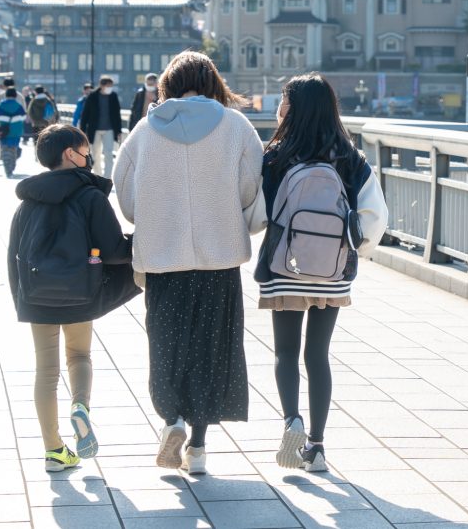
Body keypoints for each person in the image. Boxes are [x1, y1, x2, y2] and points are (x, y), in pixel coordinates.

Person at [114, 51, 264, 475]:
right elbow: (254, 186)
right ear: (212, 81)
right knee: (212, 349)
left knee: (166, 343)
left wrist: (148, 219)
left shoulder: (145, 130)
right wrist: (236, 221)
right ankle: (197, 449)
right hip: (219, 259)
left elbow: (124, 191)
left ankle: (171, 419)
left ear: (168, 84)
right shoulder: (235, 126)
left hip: (163, 258)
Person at [256, 73, 388, 473]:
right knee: (318, 354)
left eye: (283, 100)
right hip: (333, 271)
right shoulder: (351, 158)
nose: (279, 107)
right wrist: (354, 250)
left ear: (292, 108)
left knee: (284, 352)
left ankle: (291, 420)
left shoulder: (275, 156)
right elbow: (375, 218)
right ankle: (316, 447)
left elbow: (257, 213)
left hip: (284, 268)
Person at [7, 124, 135, 472]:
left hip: (36, 294)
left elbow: (13, 254)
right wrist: (138, 243)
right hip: (81, 291)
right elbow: (113, 252)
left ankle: (54, 450)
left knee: (45, 371)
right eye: (84, 148)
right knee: (79, 355)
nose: (88, 154)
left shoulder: (28, 199)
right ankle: (80, 406)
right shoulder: (89, 195)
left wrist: (21, 298)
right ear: (70, 154)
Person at [79, 76, 122, 176]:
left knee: (108, 154)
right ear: (102, 85)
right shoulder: (92, 96)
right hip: (95, 130)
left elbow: (117, 114)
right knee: (95, 154)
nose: (110, 88)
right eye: (108, 86)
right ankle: (98, 175)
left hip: (110, 129)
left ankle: (107, 178)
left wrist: (118, 130)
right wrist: (82, 130)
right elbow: (85, 114)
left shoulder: (113, 96)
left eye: (111, 86)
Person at [0, 88, 27, 178]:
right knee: (14, 148)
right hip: (17, 130)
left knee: (4, 149)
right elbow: (24, 117)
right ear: (15, 95)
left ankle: (7, 169)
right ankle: (12, 166)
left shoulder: (2, 104)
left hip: (4, 130)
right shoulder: (18, 105)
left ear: (6, 95)